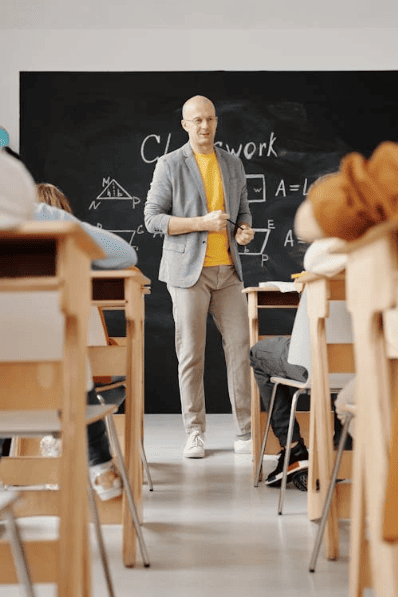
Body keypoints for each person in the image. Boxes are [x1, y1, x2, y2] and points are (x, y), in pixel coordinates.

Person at [0, 154, 138, 501]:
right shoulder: (41, 218)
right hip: (53, 382)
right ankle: (97, 460)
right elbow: (123, 254)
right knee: (59, 345)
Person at [144, 95, 255, 458]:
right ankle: (194, 431)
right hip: (187, 273)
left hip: (228, 272)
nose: (204, 126)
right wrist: (199, 224)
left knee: (240, 349)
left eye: (209, 119)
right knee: (191, 354)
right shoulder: (169, 164)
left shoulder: (232, 163)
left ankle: (246, 431)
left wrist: (243, 231)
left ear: (217, 122)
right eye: (197, 120)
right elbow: (153, 219)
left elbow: (243, 212)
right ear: (185, 125)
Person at [250, 238, 348, 489]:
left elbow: (314, 256)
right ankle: (342, 449)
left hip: (312, 364)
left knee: (260, 352)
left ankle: (293, 448)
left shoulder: (324, 252)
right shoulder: (385, 255)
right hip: (366, 370)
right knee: (346, 369)